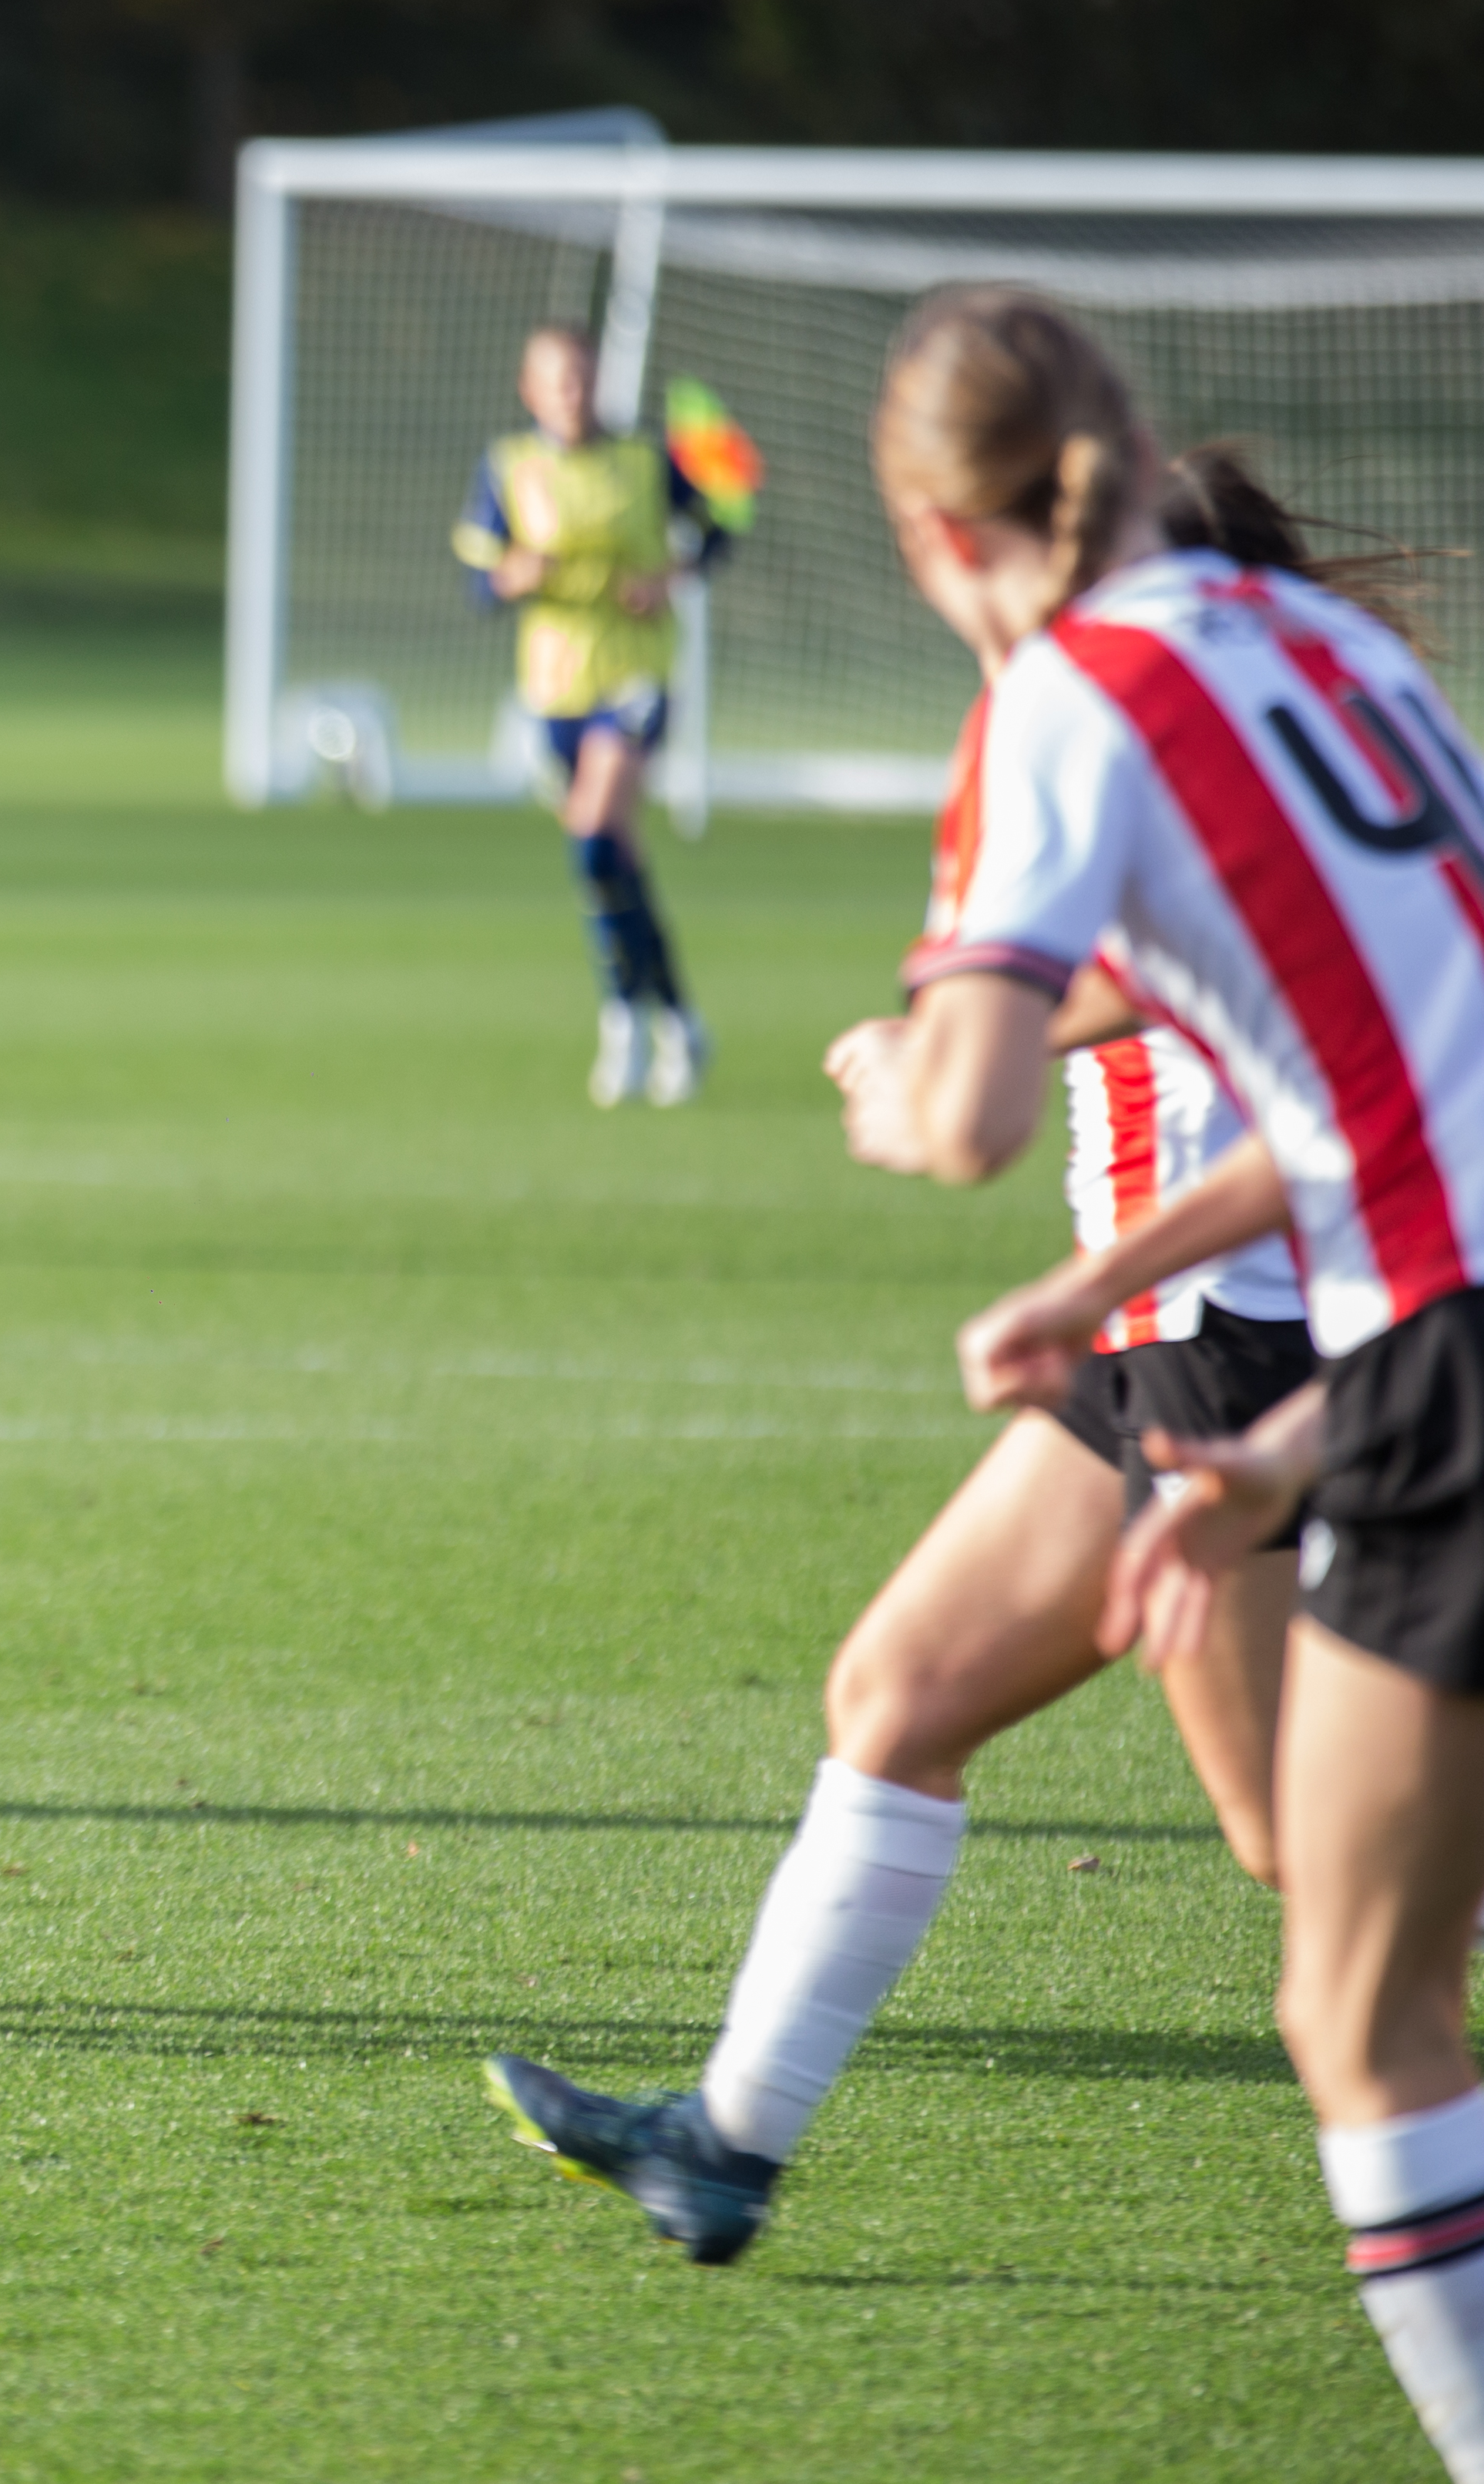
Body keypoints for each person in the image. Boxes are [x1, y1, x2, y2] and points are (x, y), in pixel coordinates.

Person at [634, 284, 1484, 2478]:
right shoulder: (1349, 655)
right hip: (1391, 1332)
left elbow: (969, 1115)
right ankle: (726, 2132)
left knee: (1363, 2008)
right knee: (1350, 1943)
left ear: (934, 538)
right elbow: (1385, 1078)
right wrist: (1133, 1289)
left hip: (1428, 1345)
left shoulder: (1065, 702)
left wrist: (900, 1079)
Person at [481, 448, 1362, 2264]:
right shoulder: (1162, 721)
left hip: (1227, 1343)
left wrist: (942, 1051)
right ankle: (720, 2146)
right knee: (894, 1697)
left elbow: (1189, 970)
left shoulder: (1181, 741)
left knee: (1299, 1848)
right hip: (1142, 1330)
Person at [452, 322, 727, 1107]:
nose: (572, 393)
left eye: (582, 376)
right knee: (615, 859)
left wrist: (671, 575)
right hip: (555, 688)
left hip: (636, 676)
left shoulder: (645, 460)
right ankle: (677, 1017)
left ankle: (621, 1021)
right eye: (557, 380)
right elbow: (481, 575)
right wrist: (513, 575)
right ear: (529, 390)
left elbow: (719, 525)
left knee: (590, 836)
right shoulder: (511, 467)